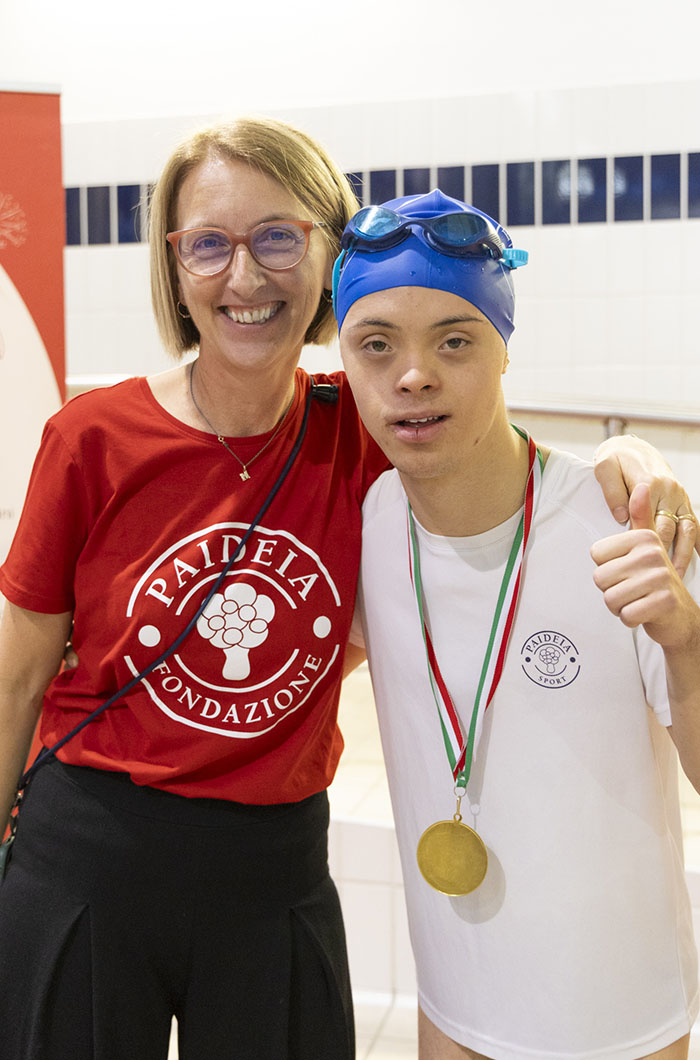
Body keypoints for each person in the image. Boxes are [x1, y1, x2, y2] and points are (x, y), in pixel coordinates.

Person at [0, 118, 693, 1060]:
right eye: (208, 243)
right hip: (89, 851)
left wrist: (628, 461)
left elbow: (479, 432)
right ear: (176, 266)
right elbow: (15, 679)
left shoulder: (356, 434)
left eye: (277, 236)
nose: (243, 277)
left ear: (324, 255)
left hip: (269, 871)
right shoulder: (93, 436)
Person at [335, 188, 700, 1060]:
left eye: (454, 340)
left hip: (619, 1020)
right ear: (343, 361)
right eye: (375, 344)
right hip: (453, 1012)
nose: (413, 374)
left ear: (504, 351)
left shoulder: (625, 525)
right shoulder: (371, 522)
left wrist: (686, 640)